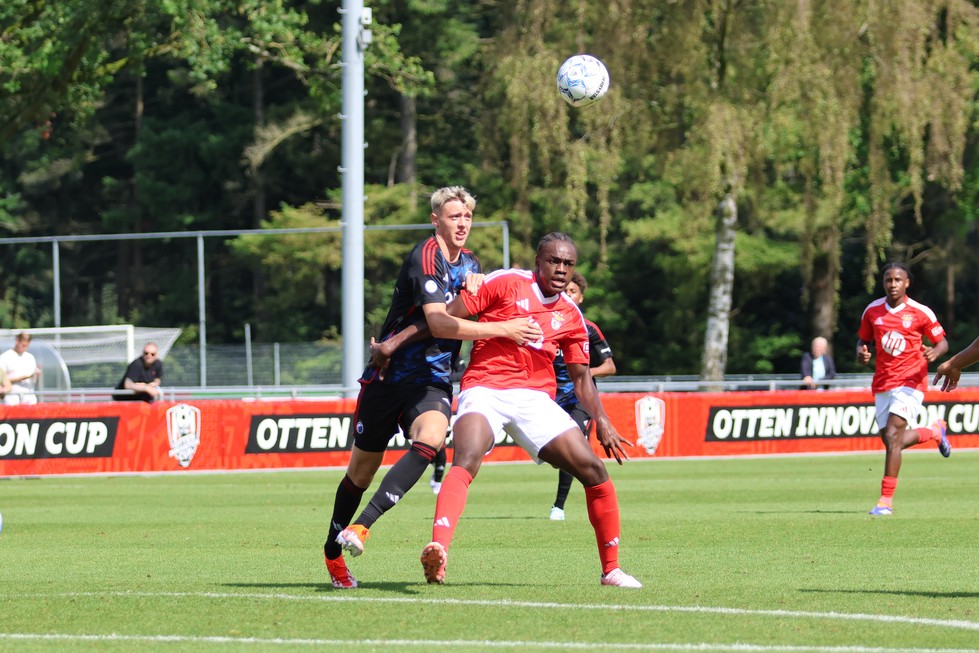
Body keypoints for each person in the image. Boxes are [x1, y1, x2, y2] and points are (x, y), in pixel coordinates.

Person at [323, 186, 541, 589]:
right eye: (454, 216)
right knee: (360, 472)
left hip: (433, 380)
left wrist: (485, 300)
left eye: (467, 217)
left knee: (433, 438)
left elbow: (464, 311)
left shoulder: (473, 263)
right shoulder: (425, 257)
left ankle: (362, 527)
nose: (462, 223)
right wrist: (504, 329)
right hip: (388, 380)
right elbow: (439, 322)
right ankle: (332, 551)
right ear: (436, 220)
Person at [399, 232, 641, 588]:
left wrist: (602, 419)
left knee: (593, 470)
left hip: (534, 399)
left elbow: (581, 378)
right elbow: (447, 320)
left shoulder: (571, 315)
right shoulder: (505, 282)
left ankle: (612, 570)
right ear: (538, 262)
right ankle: (439, 547)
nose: (561, 270)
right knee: (466, 458)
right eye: (554, 261)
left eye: (568, 264)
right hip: (485, 387)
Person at [856, 262, 950, 516]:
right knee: (890, 440)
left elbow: (942, 343)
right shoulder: (873, 311)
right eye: (889, 280)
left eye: (898, 280)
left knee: (894, 436)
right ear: (884, 282)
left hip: (911, 380)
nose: (893, 284)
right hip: (883, 383)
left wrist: (934, 352)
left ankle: (885, 501)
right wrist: (861, 353)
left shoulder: (920, 312)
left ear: (907, 283)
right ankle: (933, 431)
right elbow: (863, 340)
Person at [548, 271, 616, 521]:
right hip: (549, 397)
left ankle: (558, 506)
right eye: (564, 291)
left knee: (573, 443)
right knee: (557, 456)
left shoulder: (589, 329)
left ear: (581, 298)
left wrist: (584, 373)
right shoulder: (546, 324)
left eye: (572, 292)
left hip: (580, 398)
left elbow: (610, 366)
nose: (567, 295)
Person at [0, 332, 41, 405]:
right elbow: (2, 380)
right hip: (12, 397)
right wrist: (22, 378)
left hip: (29, 396)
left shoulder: (30, 357)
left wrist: (36, 375)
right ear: (17, 341)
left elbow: (34, 381)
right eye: (23, 345)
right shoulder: (5, 357)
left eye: (27, 345)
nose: (25, 348)